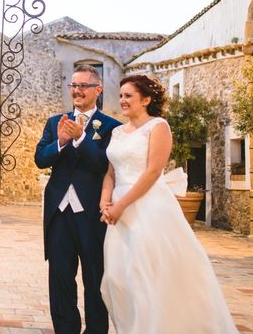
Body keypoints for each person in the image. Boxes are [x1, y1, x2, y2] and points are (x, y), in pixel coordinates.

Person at [99, 75, 238, 333]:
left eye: (128, 96)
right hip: (118, 210)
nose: (122, 100)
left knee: (144, 274)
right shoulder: (117, 131)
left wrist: (121, 206)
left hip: (148, 207)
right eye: (121, 95)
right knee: (117, 277)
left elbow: (153, 172)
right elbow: (110, 172)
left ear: (147, 99)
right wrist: (105, 201)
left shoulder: (158, 126)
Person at [35, 64, 121, 334]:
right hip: (59, 212)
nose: (77, 91)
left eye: (83, 86)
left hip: (92, 214)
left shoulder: (111, 128)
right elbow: (40, 159)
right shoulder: (54, 122)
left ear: (98, 89)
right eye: (73, 85)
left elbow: (101, 164)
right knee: (60, 277)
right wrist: (60, 141)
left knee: (95, 278)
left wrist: (81, 137)